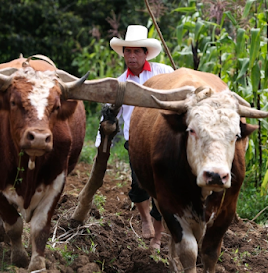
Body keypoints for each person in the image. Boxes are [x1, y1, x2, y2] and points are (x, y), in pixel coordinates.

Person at [95, 25, 174, 250]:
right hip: (136, 142)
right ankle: (145, 219)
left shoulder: (164, 73)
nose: (131, 56)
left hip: (162, 140)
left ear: (145, 53)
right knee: (139, 187)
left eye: (136, 52)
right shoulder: (120, 83)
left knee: (161, 189)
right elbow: (110, 115)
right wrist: (100, 143)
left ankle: (158, 238)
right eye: (127, 52)